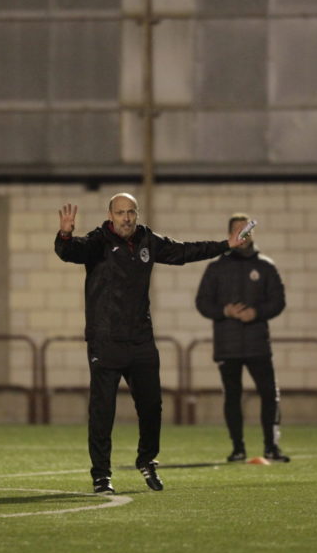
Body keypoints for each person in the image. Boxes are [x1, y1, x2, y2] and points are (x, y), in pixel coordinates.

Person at [56, 193, 247, 494]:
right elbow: (71, 252)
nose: (127, 218)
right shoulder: (98, 241)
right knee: (102, 411)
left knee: (151, 407)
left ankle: (147, 461)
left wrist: (226, 245)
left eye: (131, 212)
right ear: (110, 215)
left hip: (141, 340)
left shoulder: (147, 239)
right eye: (121, 213)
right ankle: (101, 476)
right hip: (106, 341)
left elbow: (184, 252)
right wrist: (65, 235)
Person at [195, 213, 290, 463]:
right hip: (228, 345)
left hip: (258, 344)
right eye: (238, 229)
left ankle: (272, 447)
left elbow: (278, 301)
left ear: (253, 232)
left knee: (269, 393)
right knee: (232, 396)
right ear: (230, 234)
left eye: (247, 229)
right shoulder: (216, 268)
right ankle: (238, 449)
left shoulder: (266, 266)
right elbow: (202, 303)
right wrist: (225, 311)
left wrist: (256, 313)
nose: (243, 233)